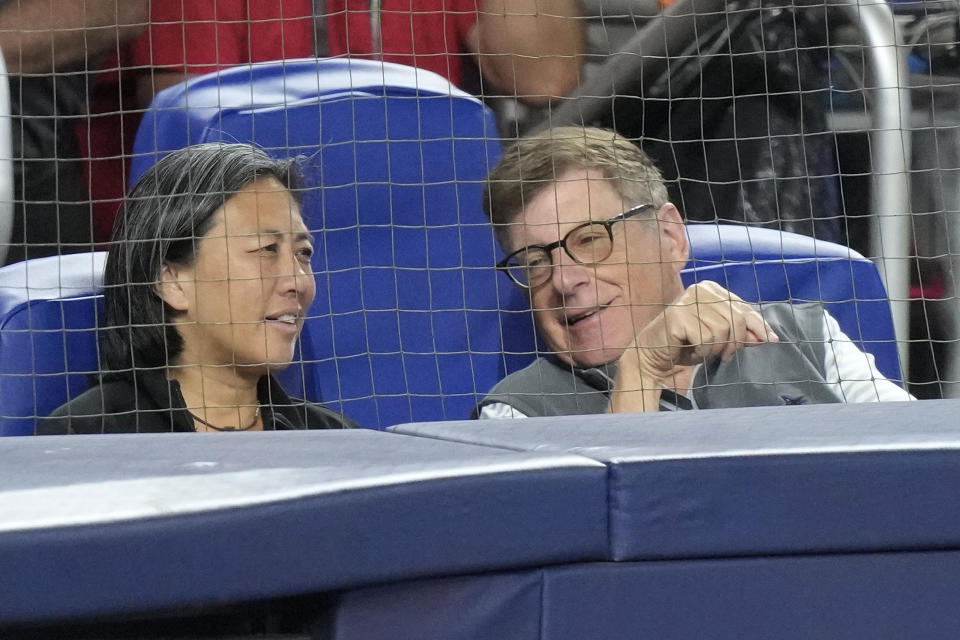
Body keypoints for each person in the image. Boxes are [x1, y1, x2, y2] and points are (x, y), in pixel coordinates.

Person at [475, 126, 914, 418]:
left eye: (590, 240)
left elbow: (925, 465)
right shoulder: (516, 414)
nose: (565, 281)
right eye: (535, 262)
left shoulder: (809, 336)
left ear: (670, 236)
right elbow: (589, 536)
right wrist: (642, 370)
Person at [39, 143, 356, 433]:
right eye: (267, 249)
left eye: (304, 253)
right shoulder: (88, 438)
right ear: (170, 280)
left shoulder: (334, 439)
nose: (298, 281)